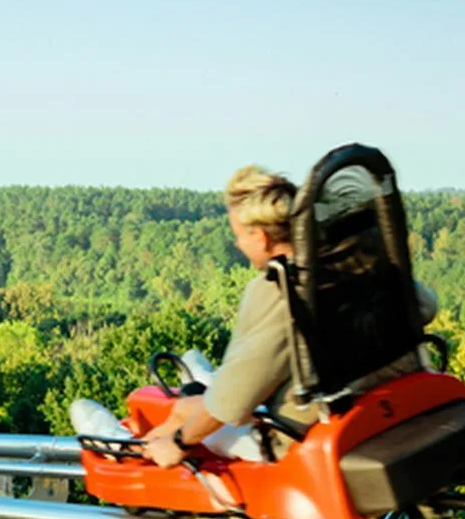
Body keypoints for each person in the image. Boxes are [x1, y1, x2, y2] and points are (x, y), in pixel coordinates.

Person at [131, 164, 435, 468]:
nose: (238, 244)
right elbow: (425, 305)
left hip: (302, 433)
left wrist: (177, 442)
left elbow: (232, 402)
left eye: (239, 235)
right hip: (385, 401)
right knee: (192, 405)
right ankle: (201, 383)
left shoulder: (279, 289)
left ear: (261, 237)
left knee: (186, 412)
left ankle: (124, 447)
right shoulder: (350, 261)